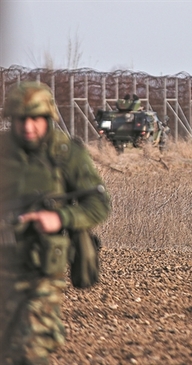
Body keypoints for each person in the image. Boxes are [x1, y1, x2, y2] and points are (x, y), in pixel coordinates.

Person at [0, 81, 111, 364]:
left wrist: (60, 217)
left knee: (33, 348)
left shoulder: (65, 154)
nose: (28, 127)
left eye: (35, 119)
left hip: (43, 271)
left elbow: (98, 203)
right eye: (21, 119)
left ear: (48, 117)